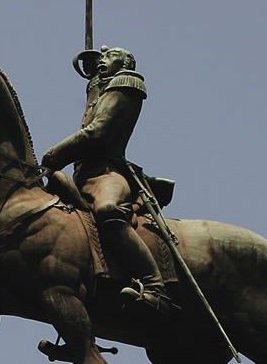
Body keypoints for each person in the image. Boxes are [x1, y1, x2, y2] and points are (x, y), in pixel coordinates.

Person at [41, 46, 179, 314]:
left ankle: (155, 287)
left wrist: (55, 154)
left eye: (109, 57)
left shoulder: (127, 84)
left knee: (108, 211)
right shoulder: (101, 88)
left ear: (125, 63)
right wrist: (92, 77)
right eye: (101, 58)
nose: (103, 61)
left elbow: (97, 131)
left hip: (107, 172)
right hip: (83, 177)